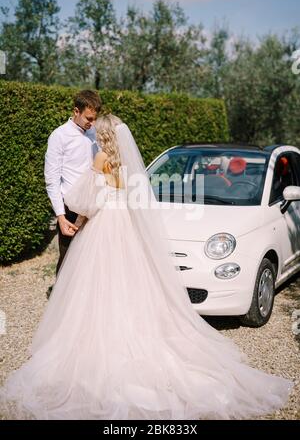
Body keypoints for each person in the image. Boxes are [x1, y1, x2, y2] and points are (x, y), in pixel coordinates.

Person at [0, 115, 293, 420]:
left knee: (97, 283)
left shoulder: (100, 158)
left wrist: (75, 223)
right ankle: (133, 329)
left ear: (103, 137)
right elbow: (136, 200)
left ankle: (100, 334)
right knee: (129, 279)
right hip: (124, 224)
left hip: (103, 226)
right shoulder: (127, 164)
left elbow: (87, 201)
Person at [44, 90, 102, 298]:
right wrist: (60, 216)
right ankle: (60, 301)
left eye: (94, 119)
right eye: (88, 118)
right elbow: (52, 180)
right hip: (70, 208)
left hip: (94, 206)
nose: (92, 123)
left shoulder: (94, 134)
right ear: (76, 111)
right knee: (67, 257)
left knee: (92, 257)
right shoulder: (59, 136)